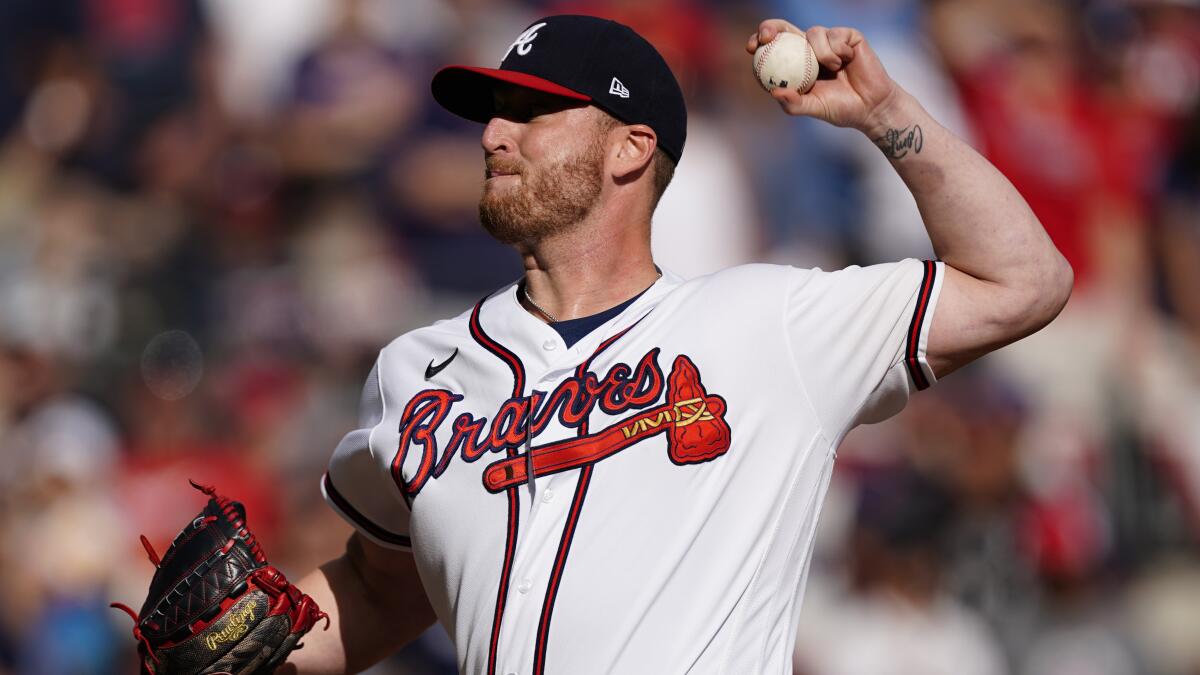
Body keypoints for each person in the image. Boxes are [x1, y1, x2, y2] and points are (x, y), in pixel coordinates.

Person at [280, 14, 1073, 675]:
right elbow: (382, 588)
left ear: (629, 148)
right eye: (494, 112)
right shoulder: (420, 367)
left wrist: (883, 111)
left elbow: (1024, 281)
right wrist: (235, 648)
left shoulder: (768, 323)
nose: (492, 134)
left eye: (532, 113)